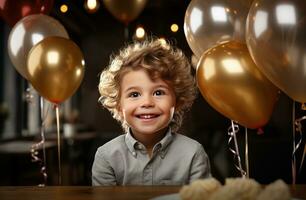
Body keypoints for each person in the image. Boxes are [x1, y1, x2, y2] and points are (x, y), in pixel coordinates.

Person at [92, 39, 211, 186]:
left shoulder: (193, 154)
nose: (147, 103)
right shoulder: (106, 157)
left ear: (178, 101)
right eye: (134, 94)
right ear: (118, 106)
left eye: (159, 92)